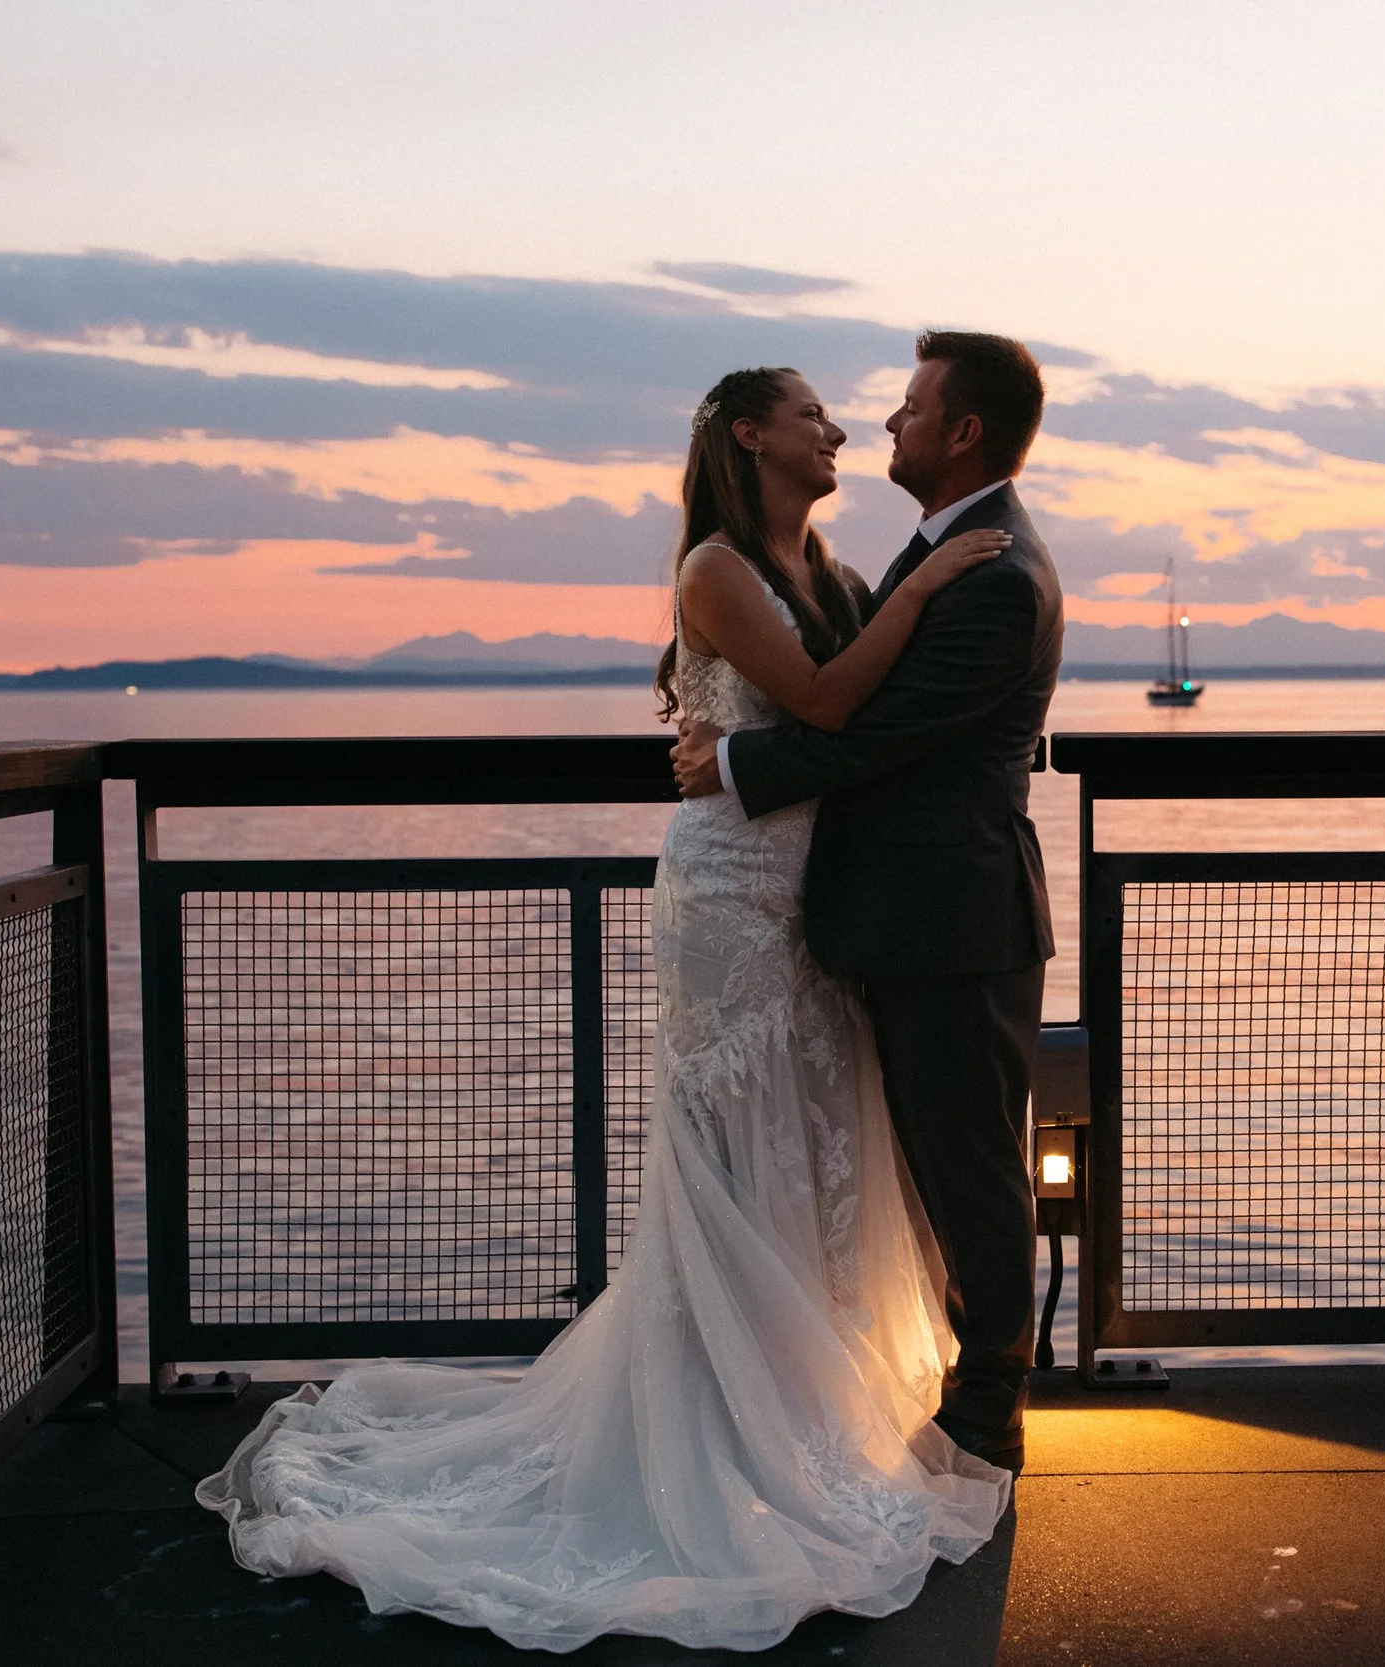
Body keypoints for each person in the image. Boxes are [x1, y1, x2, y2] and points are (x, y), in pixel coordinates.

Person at [196, 362, 1016, 1653]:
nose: (839, 428)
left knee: (806, 1148)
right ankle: (708, 1424)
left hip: (809, 901)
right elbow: (823, 703)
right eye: (810, 413)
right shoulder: (716, 569)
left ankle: (798, 1411)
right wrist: (916, 593)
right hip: (726, 900)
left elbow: (869, 717)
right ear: (750, 434)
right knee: (729, 1146)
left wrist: (787, 703)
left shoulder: (834, 573)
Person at [672, 330, 1063, 1473]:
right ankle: (790, 1381)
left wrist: (735, 762)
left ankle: (988, 1405)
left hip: (953, 916)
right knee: (901, 1162)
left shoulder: (994, 574)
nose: (879, 423)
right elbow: (851, 697)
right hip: (880, 912)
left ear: (963, 432)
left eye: (908, 406)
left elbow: (876, 730)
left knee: (968, 1167)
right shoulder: (921, 555)